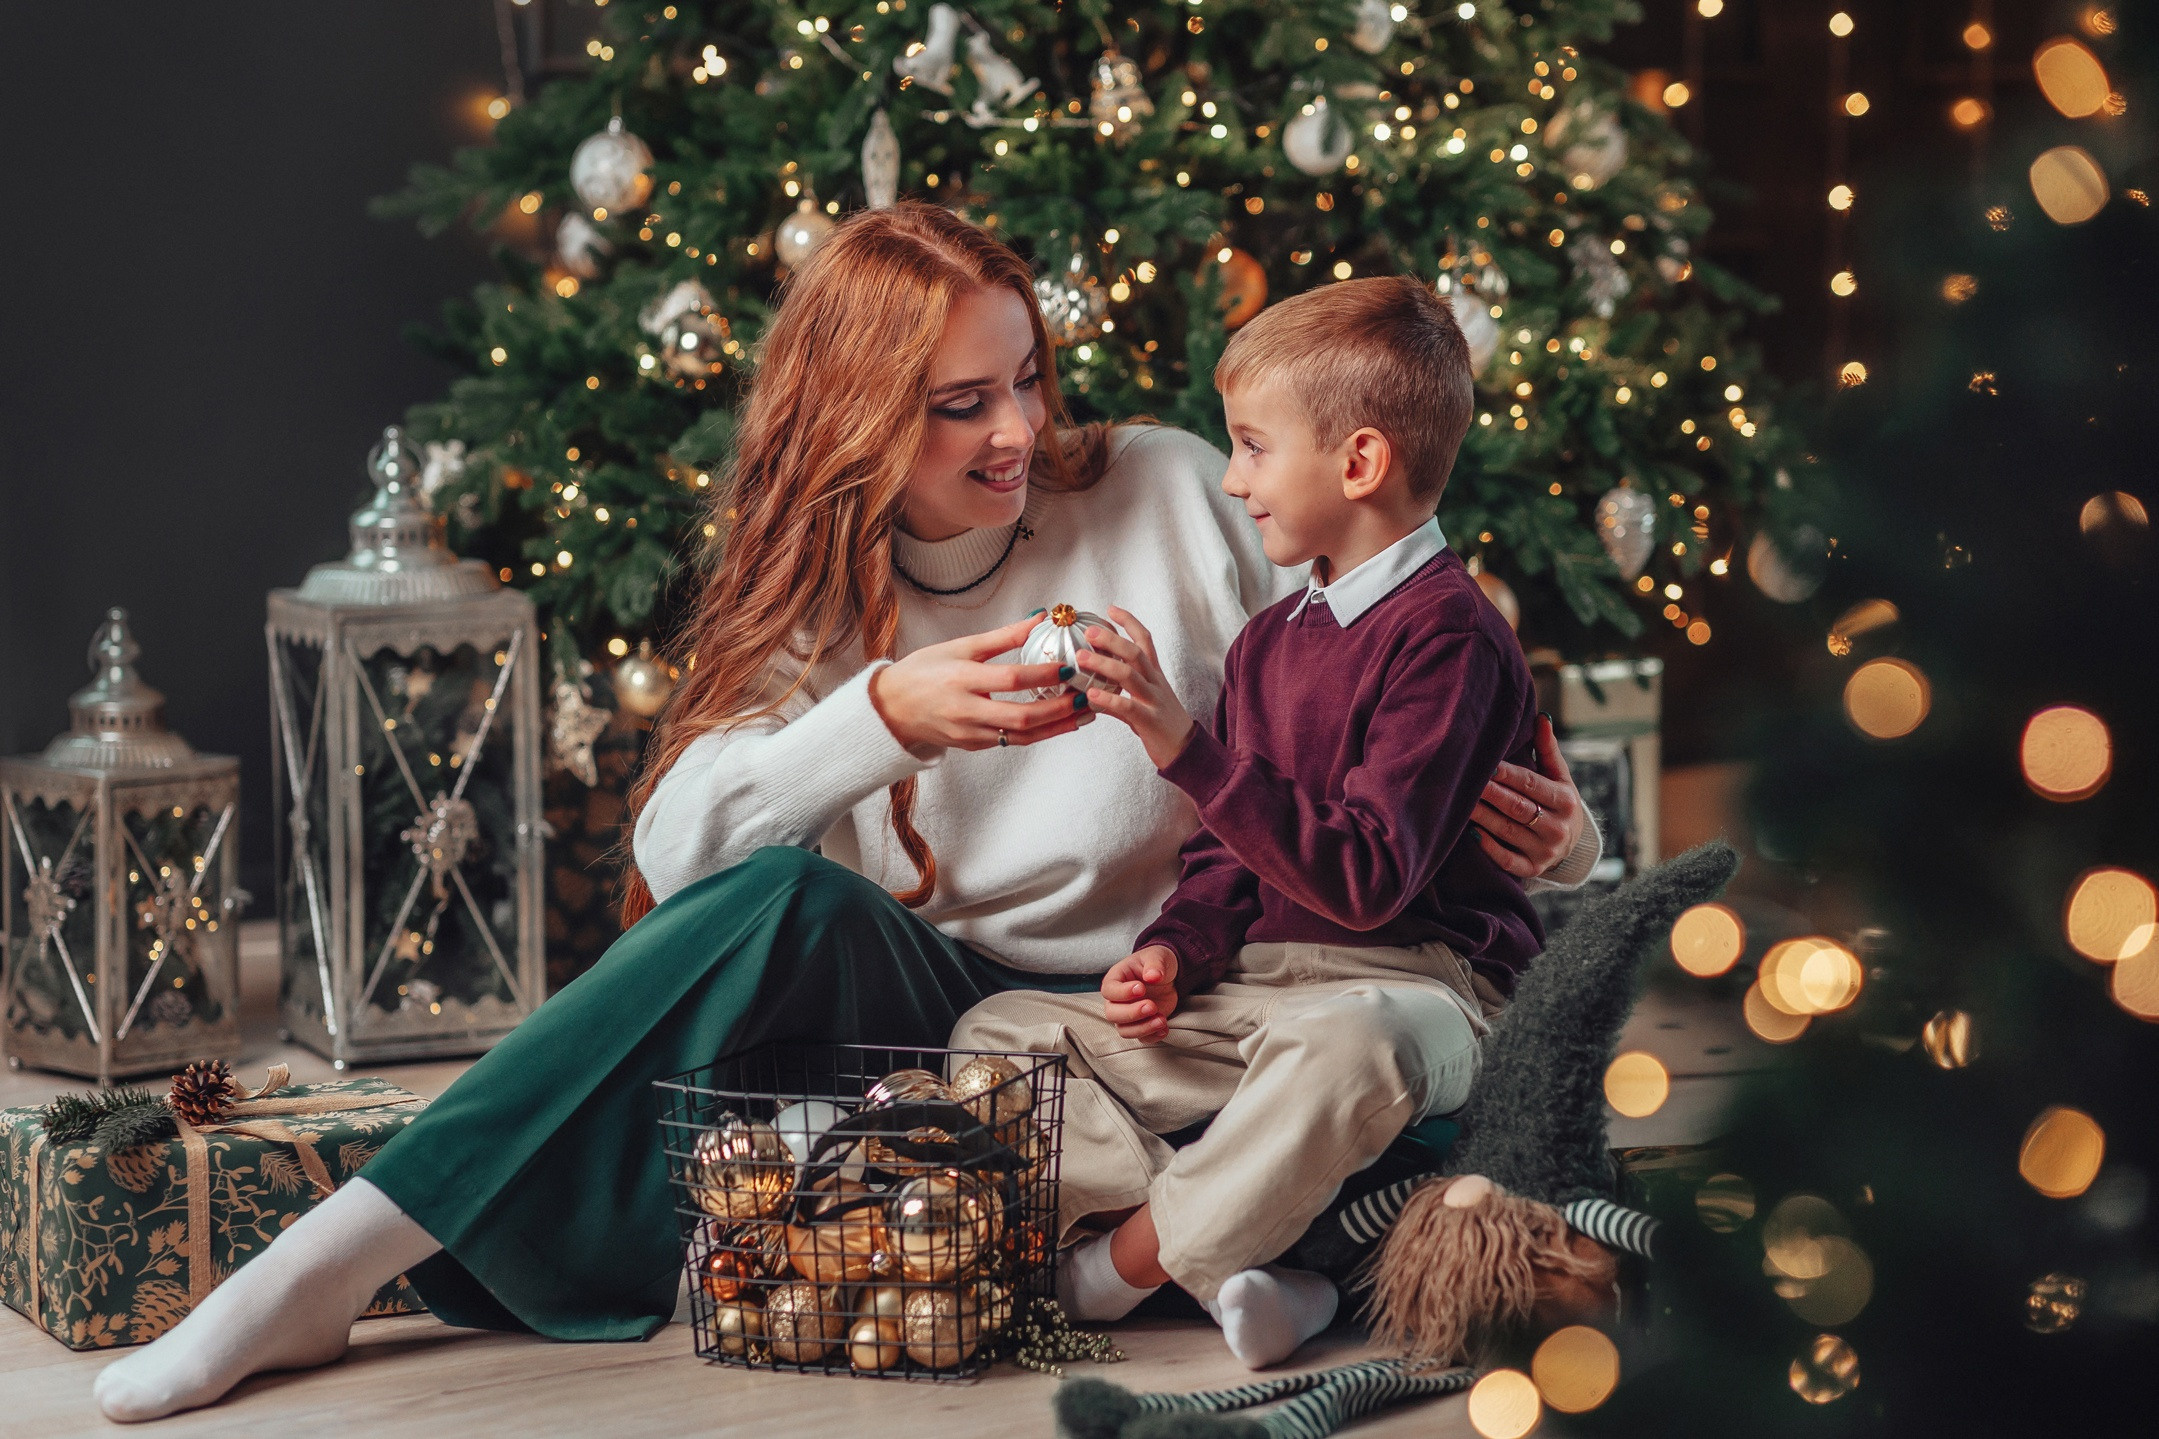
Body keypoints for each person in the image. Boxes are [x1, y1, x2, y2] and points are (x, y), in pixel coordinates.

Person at [92, 204, 1595, 1423]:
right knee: (770, 904)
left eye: (1025, 380)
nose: (1013, 429)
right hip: (973, 1017)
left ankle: (1119, 1240)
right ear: (866, 417)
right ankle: (317, 1269)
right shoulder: (820, 598)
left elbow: (1406, 688)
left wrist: (1558, 837)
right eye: (959, 404)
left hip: (1216, 987)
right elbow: (678, 861)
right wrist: (872, 722)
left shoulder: (1177, 489)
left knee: (1397, 1059)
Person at [952, 276, 1556, 1369]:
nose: (1231, 480)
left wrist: (1184, 745)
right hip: (1263, 992)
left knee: (1351, 1041)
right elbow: (1225, 855)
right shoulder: (1271, 638)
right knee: (1001, 1036)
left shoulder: (1451, 639)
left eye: (1251, 447)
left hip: (1422, 990)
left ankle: (1120, 1267)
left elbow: (1367, 876)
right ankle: (1272, 1253)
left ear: (1358, 462)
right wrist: (1171, 954)